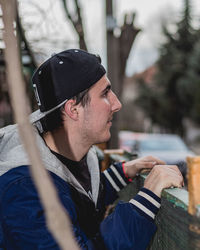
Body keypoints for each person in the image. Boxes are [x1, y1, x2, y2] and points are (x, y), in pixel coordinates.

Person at [0, 49, 183, 250]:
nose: (117, 103)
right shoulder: (25, 190)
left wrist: (122, 172)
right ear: (73, 109)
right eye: (105, 93)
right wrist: (147, 199)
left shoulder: (70, 155)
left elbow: (80, 198)